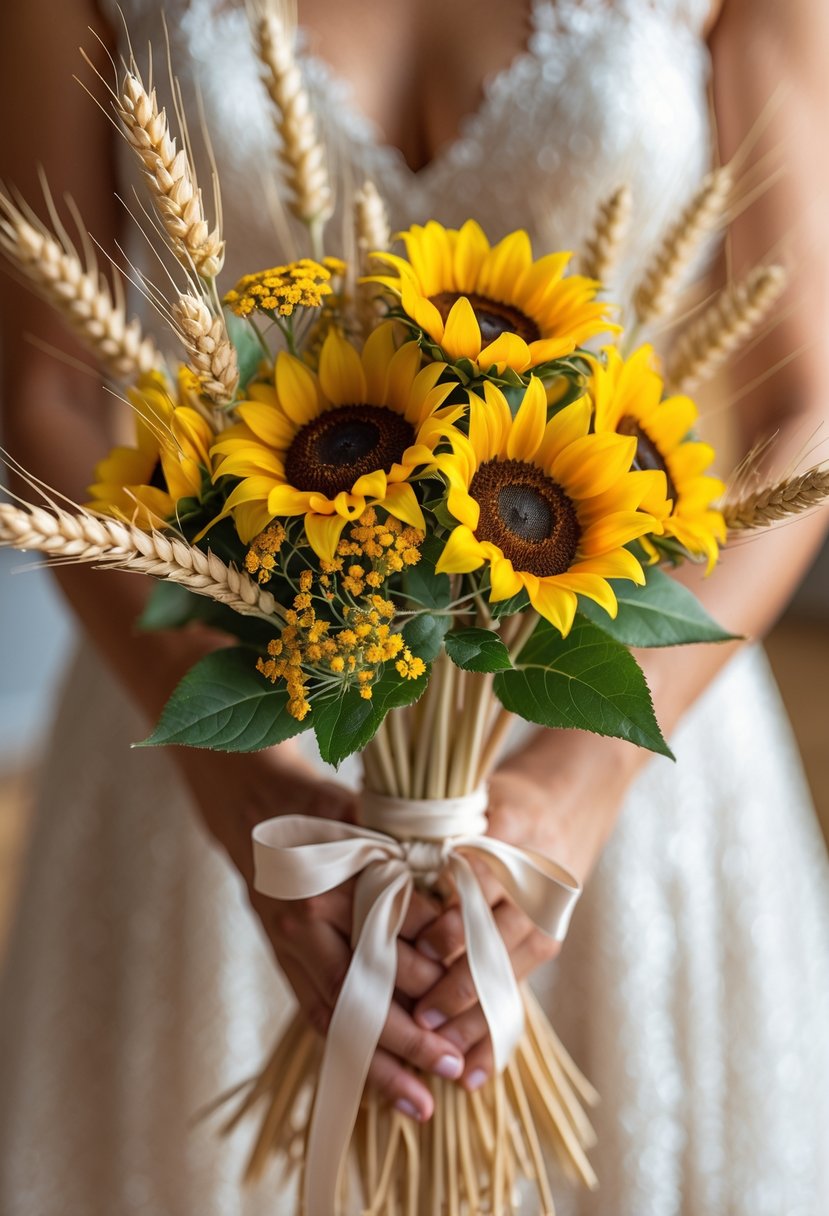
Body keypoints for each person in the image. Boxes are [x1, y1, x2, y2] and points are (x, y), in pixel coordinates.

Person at [1, 0, 828, 1212]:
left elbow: (807, 415)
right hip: (207, 709)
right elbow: (51, 397)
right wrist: (249, 795)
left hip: (628, 746)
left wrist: (573, 786)